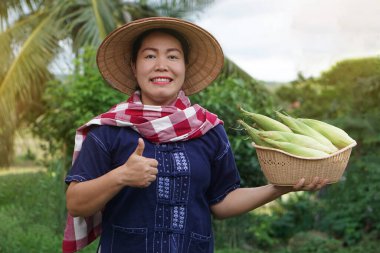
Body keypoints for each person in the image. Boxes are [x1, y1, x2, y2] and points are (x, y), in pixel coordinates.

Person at [62, 17, 328, 253]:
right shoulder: (109, 129)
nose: (161, 65)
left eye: (173, 56)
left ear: (185, 66)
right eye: (150, 56)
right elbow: (76, 203)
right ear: (134, 67)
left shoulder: (209, 129)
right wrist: (120, 176)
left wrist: (280, 187)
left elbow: (222, 202)